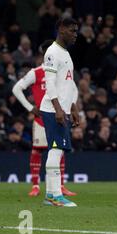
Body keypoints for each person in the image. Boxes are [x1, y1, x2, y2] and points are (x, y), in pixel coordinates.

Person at [12, 39, 77, 197]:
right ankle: (37, 186)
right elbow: (16, 88)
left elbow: (73, 88)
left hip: (60, 115)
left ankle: (59, 187)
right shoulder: (36, 72)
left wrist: (73, 105)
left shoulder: (61, 70)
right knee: (38, 150)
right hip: (43, 117)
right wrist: (30, 108)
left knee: (58, 151)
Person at [40, 18, 79, 207]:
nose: (75, 34)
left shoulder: (65, 53)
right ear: (61, 29)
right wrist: (58, 110)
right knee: (56, 150)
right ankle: (55, 196)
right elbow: (49, 84)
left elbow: (68, 84)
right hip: (52, 109)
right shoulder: (52, 52)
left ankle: (51, 194)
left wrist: (74, 107)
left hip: (63, 109)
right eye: (72, 30)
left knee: (58, 151)